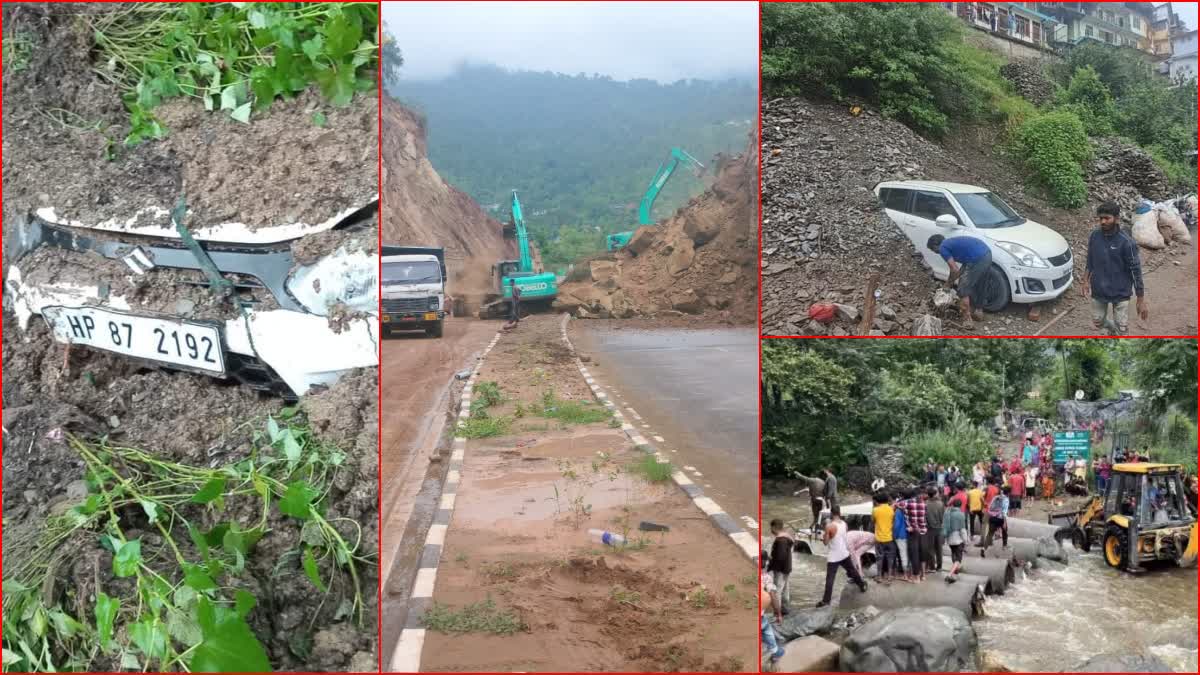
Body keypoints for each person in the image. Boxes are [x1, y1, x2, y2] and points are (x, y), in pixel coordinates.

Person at [1082, 201, 1147, 335]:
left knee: (1122, 329)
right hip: (1099, 289)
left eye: (1107, 218)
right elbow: (1090, 259)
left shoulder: (1127, 242)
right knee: (1098, 322)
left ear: (1117, 219)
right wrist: (1085, 281)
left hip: (1121, 291)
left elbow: (1136, 271)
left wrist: (1140, 299)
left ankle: (1120, 333)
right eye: (1100, 218)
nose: (1103, 222)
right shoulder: (1095, 236)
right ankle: (1113, 330)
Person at [926, 233, 993, 325]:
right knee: (981, 283)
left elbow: (954, 269)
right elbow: (960, 270)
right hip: (986, 254)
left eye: (933, 250)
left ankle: (967, 320)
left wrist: (948, 284)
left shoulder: (943, 248)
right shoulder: (951, 243)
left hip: (977, 259)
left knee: (962, 289)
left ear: (935, 245)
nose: (935, 252)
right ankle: (979, 313)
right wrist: (950, 282)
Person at [817, 507, 868, 607]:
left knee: (830, 579)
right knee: (852, 570)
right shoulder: (844, 524)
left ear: (831, 514)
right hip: (844, 553)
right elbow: (842, 537)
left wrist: (824, 536)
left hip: (834, 556)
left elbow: (826, 542)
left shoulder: (830, 526)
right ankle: (862, 585)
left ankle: (826, 601)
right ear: (840, 513)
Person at [899, 488, 927, 582]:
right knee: (921, 553)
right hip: (923, 531)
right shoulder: (924, 503)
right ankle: (923, 576)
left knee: (914, 554)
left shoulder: (907, 503)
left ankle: (916, 577)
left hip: (913, 531)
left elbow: (896, 505)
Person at [761, 556, 784, 668]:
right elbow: (773, 597)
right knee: (766, 630)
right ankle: (775, 652)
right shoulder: (766, 578)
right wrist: (778, 614)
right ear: (765, 562)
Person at [767, 520, 793, 614]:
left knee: (777, 590)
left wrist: (771, 564)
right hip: (787, 568)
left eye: (771, 528)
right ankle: (785, 610)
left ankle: (777, 613)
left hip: (780, 569)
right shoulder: (786, 538)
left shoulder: (780, 540)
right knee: (785, 590)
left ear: (774, 527)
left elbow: (780, 557)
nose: (771, 530)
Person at [942, 497, 970, 584]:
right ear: (960, 505)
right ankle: (950, 575)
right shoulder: (960, 514)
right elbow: (962, 529)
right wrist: (966, 541)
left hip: (949, 538)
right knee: (958, 558)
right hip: (958, 539)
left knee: (954, 553)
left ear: (953, 504)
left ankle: (956, 568)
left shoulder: (947, 513)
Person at [872, 492, 897, 585]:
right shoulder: (891, 510)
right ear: (887, 500)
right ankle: (889, 576)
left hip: (879, 539)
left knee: (879, 558)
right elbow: (893, 521)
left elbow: (873, 521)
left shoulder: (875, 510)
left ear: (878, 501)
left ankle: (879, 577)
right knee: (890, 558)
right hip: (890, 538)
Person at [981, 485, 1011, 552]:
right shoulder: (1006, 499)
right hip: (1000, 518)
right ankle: (1004, 546)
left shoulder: (995, 497)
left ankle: (984, 548)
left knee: (990, 533)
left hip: (992, 517)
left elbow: (990, 506)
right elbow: (1004, 512)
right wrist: (1005, 522)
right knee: (1005, 531)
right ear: (1008, 493)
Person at [924, 488, 945, 573]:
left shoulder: (925, 504)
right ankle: (939, 566)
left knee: (930, 548)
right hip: (939, 528)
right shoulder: (941, 504)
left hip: (929, 528)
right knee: (939, 548)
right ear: (935, 494)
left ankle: (932, 567)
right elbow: (943, 516)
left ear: (928, 494)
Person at [892, 494, 911, 582]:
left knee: (903, 555)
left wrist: (894, 535)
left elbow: (896, 526)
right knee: (909, 555)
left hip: (900, 536)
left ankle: (905, 575)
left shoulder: (898, 511)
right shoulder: (911, 508)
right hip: (910, 534)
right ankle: (910, 573)